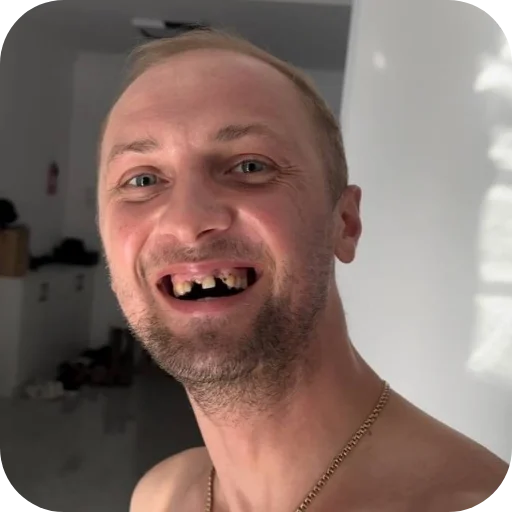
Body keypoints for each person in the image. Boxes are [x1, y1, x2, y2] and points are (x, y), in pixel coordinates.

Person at [96, 28, 509, 512]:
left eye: (250, 167)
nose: (186, 222)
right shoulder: (159, 497)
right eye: (142, 179)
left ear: (345, 223)